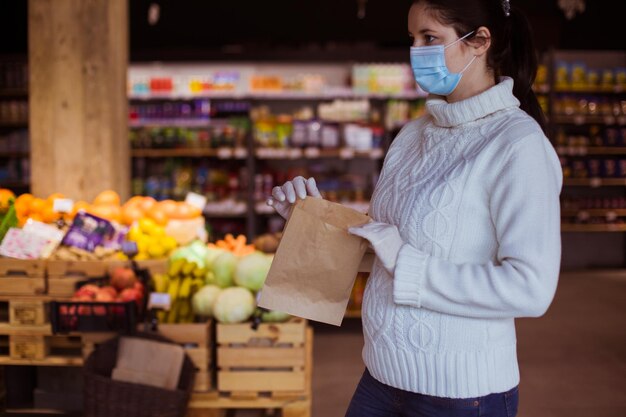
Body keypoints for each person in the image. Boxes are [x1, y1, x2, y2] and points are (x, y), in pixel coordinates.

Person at [266, 0, 562, 415]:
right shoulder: (412, 136)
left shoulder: (517, 145)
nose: (415, 52)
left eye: (430, 38)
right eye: (412, 39)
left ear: (479, 42)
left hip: (461, 395)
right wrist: (313, 221)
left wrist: (408, 262)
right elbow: (385, 246)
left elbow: (530, 289)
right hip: (381, 378)